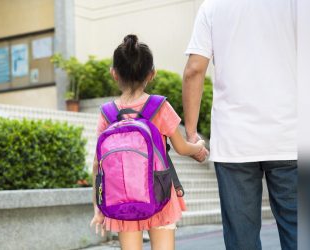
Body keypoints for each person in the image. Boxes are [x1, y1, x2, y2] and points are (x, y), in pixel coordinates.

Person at [182, 0, 297, 249]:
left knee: (241, 241)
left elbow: (194, 69)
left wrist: (191, 134)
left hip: (235, 144)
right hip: (290, 137)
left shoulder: (212, 7)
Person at [90, 34, 205, 250]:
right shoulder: (159, 106)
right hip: (159, 193)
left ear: (114, 74)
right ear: (152, 74)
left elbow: (98, 164)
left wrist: (98, 206)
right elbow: (181, 148)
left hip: (122, 199)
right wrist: (197, 148)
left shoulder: (107, 114)